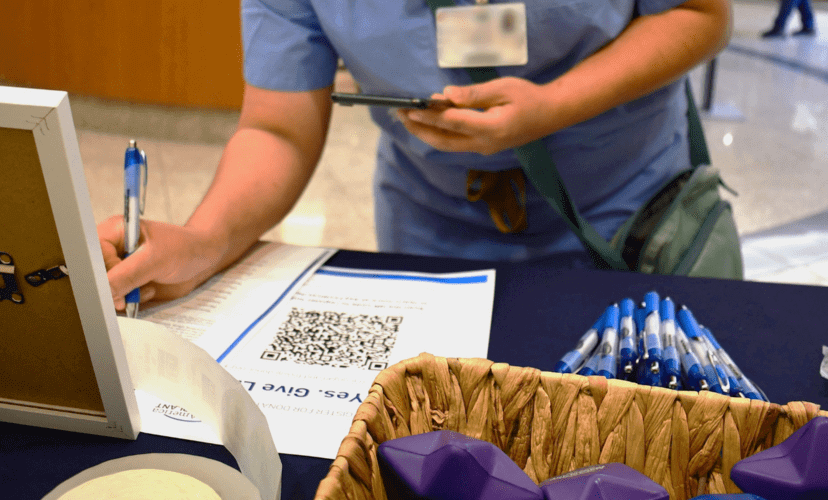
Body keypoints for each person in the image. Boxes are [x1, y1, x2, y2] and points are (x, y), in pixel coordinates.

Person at [98, 0, 732, 312]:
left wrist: (556, 105)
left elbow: (700, 11)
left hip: (627, 215)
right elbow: (277, 128)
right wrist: (204, 240)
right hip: (430, 226)